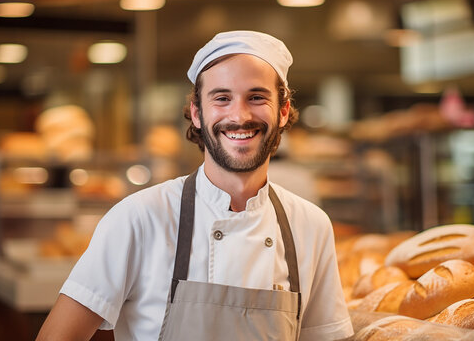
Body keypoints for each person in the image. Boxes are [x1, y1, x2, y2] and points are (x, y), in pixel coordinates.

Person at [37, 30, 354, 341]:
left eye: (257, 97)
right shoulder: (139, 218)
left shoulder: (311, 226)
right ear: (197, 113)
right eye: (222, 98)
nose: (240, 115)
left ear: (282, 111)